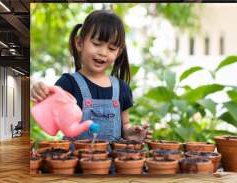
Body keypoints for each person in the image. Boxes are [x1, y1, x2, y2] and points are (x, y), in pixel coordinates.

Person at [31, 10, 151, 144]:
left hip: (112, 162)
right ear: (80, 43)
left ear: (118, 53)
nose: (103, 52)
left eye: (111, 48)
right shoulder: (68, 83)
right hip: (74, 161)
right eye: (97, 44)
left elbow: (125, 125)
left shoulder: (122, 89)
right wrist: (39, 92)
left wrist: (129, 132)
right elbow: (49, 109)